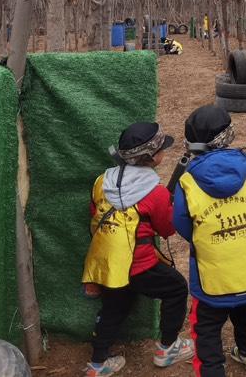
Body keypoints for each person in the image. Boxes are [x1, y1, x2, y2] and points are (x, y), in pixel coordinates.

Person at [173, 105, 246, 377]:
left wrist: (210, 237)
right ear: (229, 134)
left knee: (206, 326)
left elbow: (182, 224)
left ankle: (212, 371)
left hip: (214, 273)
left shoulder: (187, 181)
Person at [82, 122, 194, 376]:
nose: (163, 153)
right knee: (176, 288)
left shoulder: (102, 181)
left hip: (108, 262)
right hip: (139, 263)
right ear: (151, 158)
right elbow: (167, 230)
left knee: (114, 306)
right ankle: (168, 347)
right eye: (160, 150)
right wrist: (168, 204)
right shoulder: (155, 193)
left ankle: (98, 364)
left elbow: (93, 213)